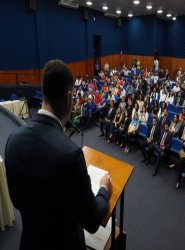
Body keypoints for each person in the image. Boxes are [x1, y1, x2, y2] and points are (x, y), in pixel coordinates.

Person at [5, 60, 111, 250]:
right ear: (69, 98)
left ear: (43, 92)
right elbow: (93, 220)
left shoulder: (12, 140)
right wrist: (103, 189)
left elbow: (16, 201)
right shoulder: (71, 155)